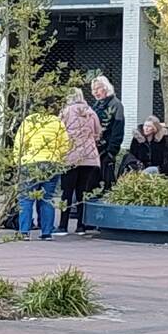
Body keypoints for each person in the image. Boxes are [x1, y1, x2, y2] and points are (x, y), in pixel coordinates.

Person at [14, 110, 71, 240]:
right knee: (47, 198)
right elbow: (65, 144)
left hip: (30, 162)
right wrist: (59, 159)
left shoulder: (29, 121)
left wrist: (18, 161)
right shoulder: (57, 122)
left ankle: (24, 232)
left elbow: (20, 142)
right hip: (52, 162)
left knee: (25, 199)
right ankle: (46, 232)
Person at [58, 88, 101, 236]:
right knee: (83, 191)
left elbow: (59, 132)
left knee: (67, 191)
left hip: (70, 155)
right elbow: (97, 133)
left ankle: (63, 226)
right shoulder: (91, 112)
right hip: (89, 157)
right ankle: (81, 225)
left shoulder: (66, 112)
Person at [90, 75, 124, 192]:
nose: (95, 92)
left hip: (107, 148)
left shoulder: (115, 105)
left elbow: (118, 130)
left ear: (106, 88)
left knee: (107, 181)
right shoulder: (96, 105)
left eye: (98, 88)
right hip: (95, 148)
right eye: (93, 90)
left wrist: (112, 151)